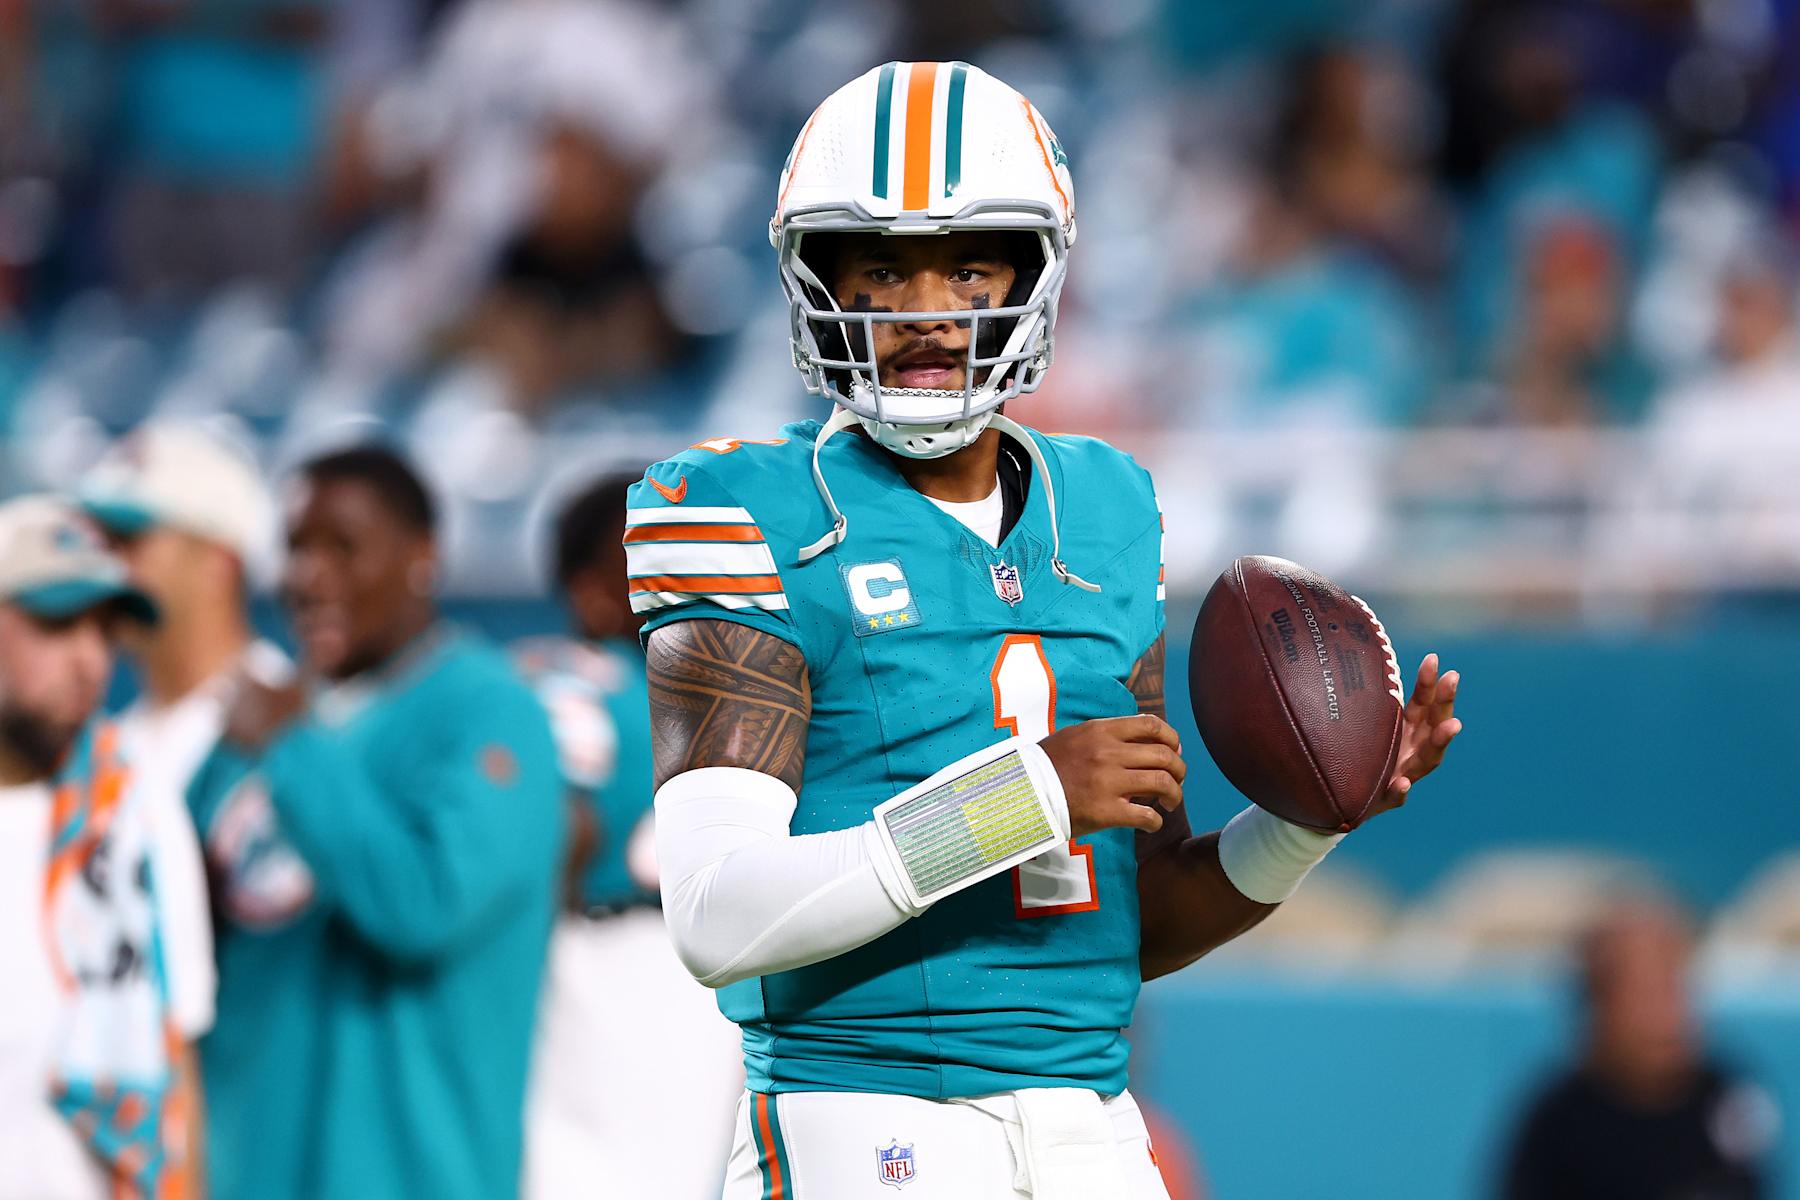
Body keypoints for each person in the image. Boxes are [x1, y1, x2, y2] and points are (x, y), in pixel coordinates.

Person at [634, 62, 1464, 1198]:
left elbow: (1128, 917)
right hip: (864, 1126)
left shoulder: (1109, 510)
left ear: (1034, 276)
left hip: (1090, 1130)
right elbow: (715, 913)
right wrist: (1017, 798)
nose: (927, 309)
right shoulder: (749, 510)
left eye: (967, 264)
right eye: (883, 270)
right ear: (821, 283)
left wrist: (1310, 815)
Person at [187, 445, 563, 1200]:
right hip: (249, 1167)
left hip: (415, 1173)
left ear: (422, 557)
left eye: (342, 547)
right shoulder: (253, 732)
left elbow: (421, 907)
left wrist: (292, 749)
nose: (307, 576)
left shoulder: (489, 713)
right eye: (295, 548)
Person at [517, 473, 743, 1200]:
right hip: (618, 967)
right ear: (591, 588)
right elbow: (548, 834)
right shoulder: (577, 682)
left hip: (652, 968)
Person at [0, 495, 211, 1199]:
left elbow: (175, 1065)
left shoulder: (136, 808)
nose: (91, 660)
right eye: (58, 623)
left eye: (106, 628)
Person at [78, 423, 292, 880]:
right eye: (100, 542)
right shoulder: (112, 738)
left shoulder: (290, 728)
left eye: (130, 540)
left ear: (219, 563)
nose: (104, 566)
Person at [1499, 897, 1778, 1200]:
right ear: (1600, 1009)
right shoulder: (1557, 1123)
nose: (1666, 1016)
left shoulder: (1726, 1096)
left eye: (1674, 990)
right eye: (1643, 996)